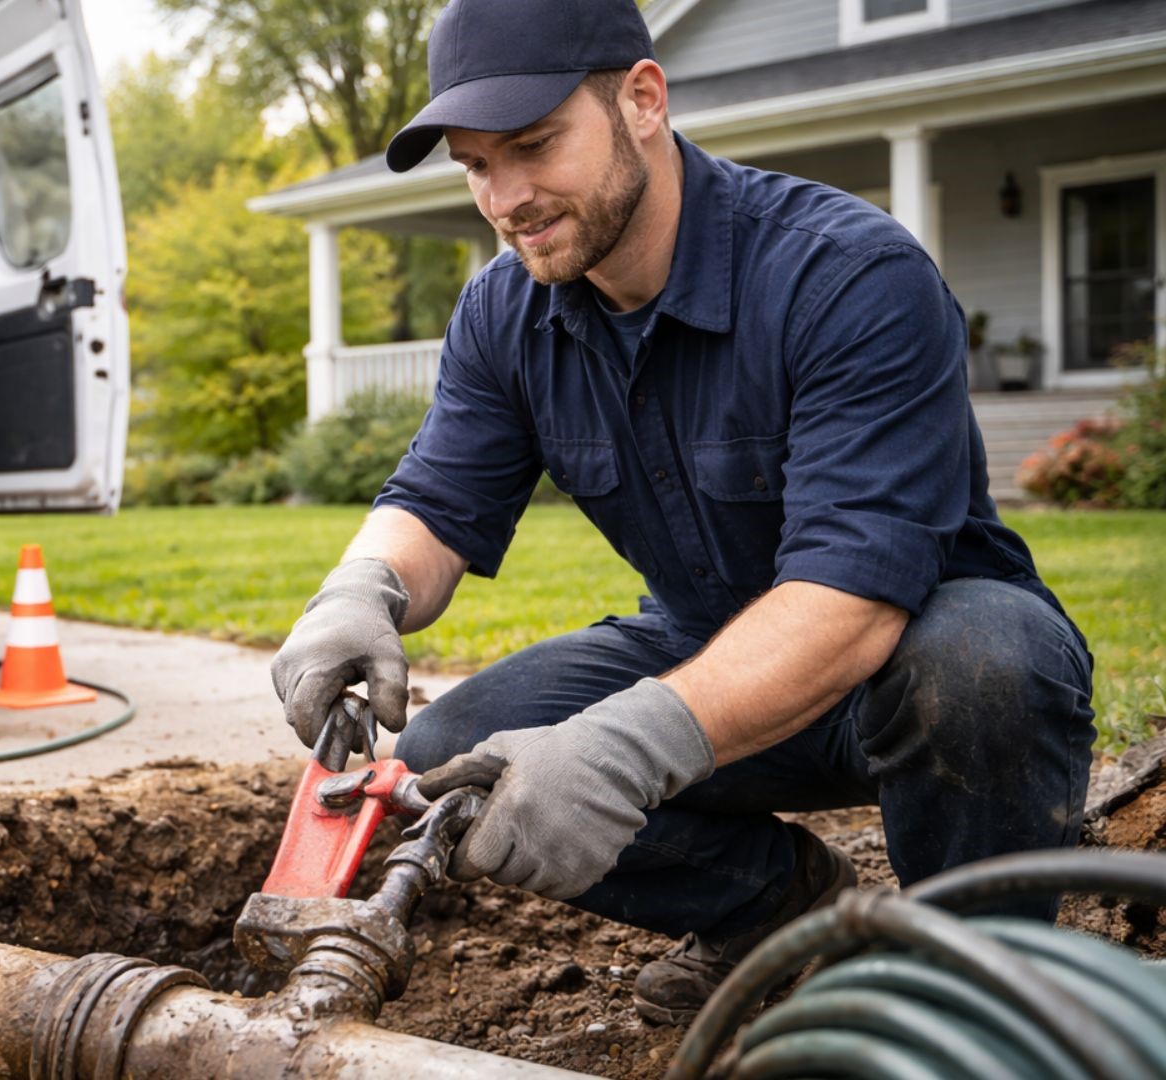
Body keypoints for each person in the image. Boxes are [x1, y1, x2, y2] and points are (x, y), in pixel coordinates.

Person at [269, 0, 1095, 1027]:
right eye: (477, 165)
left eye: (533, 145)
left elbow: (856, 595)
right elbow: (436, 502)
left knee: (985, 667)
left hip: (910, 653)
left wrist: (622, 748)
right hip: (706, 648)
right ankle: (779, 913)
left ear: (644, 101)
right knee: (449, 756)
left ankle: (972, 991)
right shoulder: (505, 313)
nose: (507, 198)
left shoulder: (845, 276)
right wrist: (362, 592)